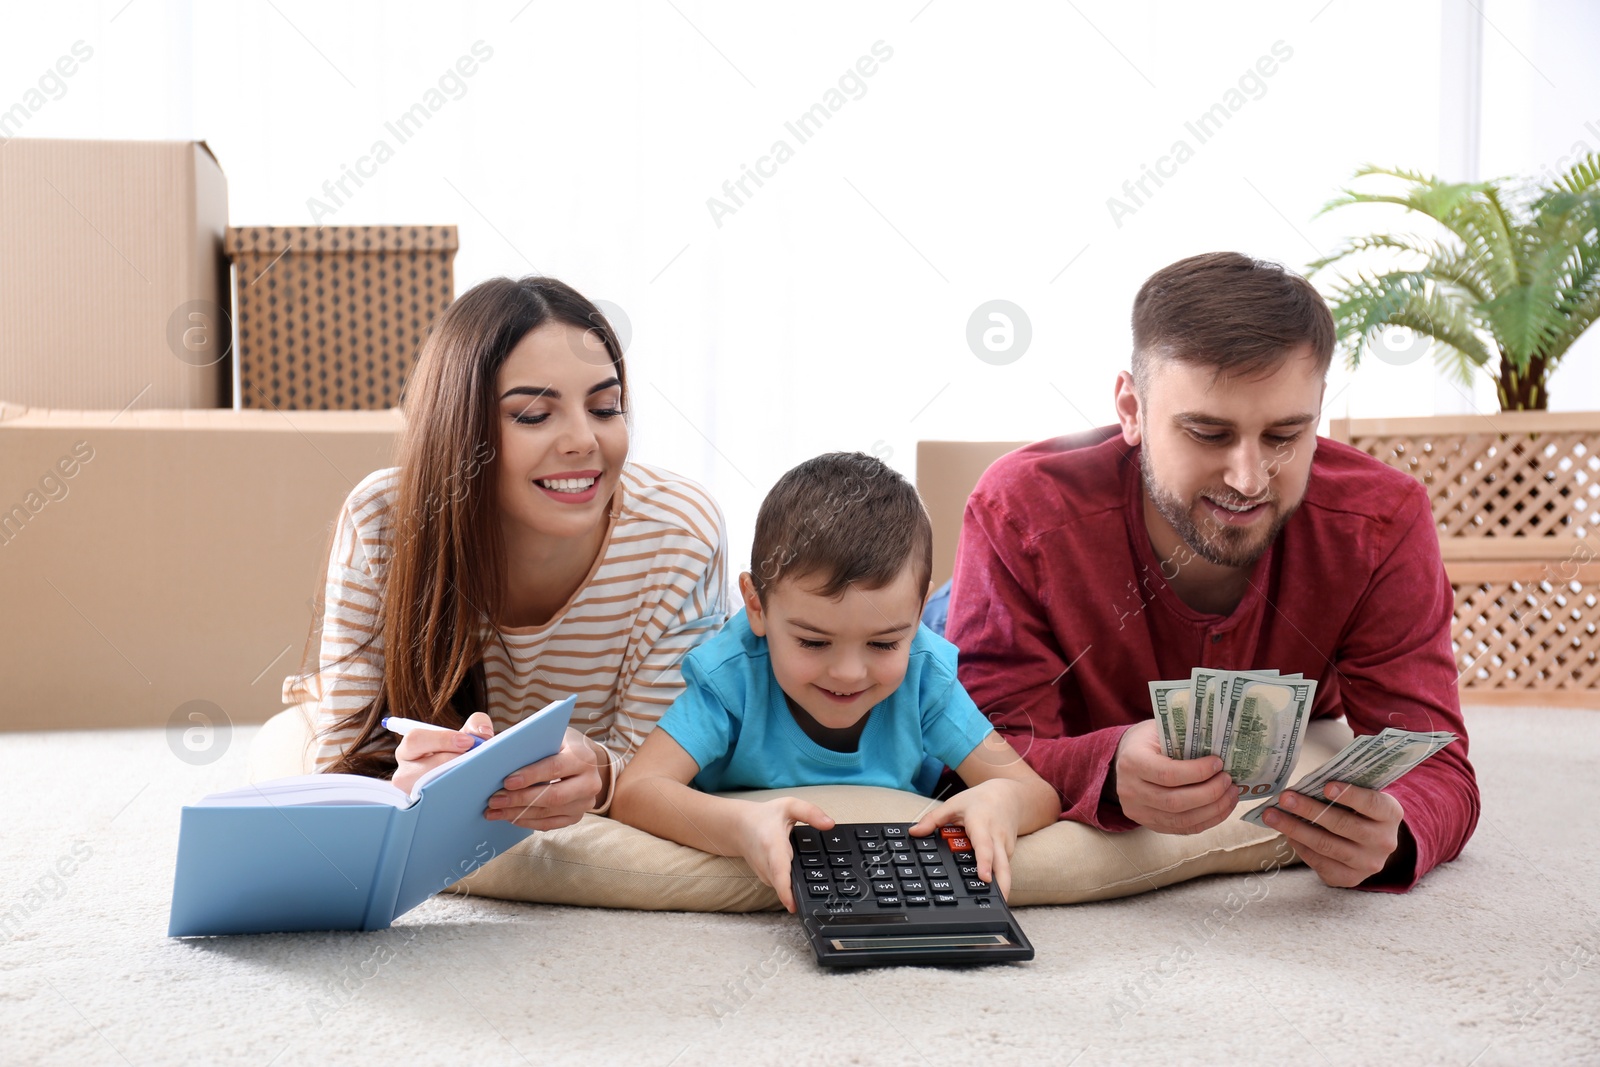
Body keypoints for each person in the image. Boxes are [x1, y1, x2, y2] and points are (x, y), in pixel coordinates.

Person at [948, 252, 1479, 892]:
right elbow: (988, 745)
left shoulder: (1382, 521)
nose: (1249, 479)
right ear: (1132, 409)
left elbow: (1438, 761)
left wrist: (1397, 830)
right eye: (1207, 432)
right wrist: (1106, 766)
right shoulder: (1019, 512)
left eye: (1285, 434)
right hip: (970, 606)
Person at [283, 276, 728, 830]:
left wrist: (601, 773)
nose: (583, 440)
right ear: (460, 429)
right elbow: (345, 763)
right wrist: (406, 775)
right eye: (535, 415)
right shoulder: (383, 520)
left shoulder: (678, 532)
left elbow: (661, 767)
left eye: (605, 408)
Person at [612, 452, 1060, 911]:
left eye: (884, 644)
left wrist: (1001, 798)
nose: (849, 673)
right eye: (813, 642)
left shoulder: (925, 675)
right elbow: (637, 791)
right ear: (757, 607)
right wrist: (740, 825)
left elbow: (1036, 793)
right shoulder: (733, 675)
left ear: (919, 613)